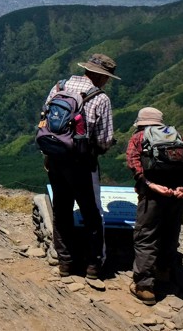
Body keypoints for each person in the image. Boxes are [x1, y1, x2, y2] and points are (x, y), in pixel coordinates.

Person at [43, 53, 118, 280]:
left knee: (62, 209)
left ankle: (65, 263)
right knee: (92, 214)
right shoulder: (100, 98)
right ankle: (94, 265)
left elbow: (45, 119)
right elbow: (105, 139)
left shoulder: (59, 86)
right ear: (102, 77)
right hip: (82, 164)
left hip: (55, 159)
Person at [126, 107, 183, 305]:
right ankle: (164, 272)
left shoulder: (139, 138)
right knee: (170, 232)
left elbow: (134, 163)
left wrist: (150, 185)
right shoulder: (176, 136)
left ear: (141, 123)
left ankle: (144, 286)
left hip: (153, 196)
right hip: (178, 196)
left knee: (146, 236)